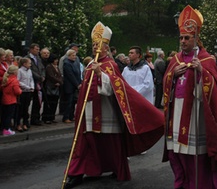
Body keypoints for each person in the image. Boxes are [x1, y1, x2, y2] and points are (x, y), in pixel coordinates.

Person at [64, 21, 164, 189]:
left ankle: (116, 168)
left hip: (107, 111)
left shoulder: (110, 65)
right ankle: (77, 173)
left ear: (106, 48)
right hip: (89, 110)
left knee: (110, 143)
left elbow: (116, 88)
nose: (95, 47)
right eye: (94, 44)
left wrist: (100, 74)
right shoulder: (89, 65)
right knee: (86, 142)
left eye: (99, 44)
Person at [163, 5, 217, 189]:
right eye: (181, 38)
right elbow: (165, 84)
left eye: (187, 38)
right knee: (179, 156)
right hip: (177, 114)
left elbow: (215, 90)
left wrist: (201, 73)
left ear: (196, 38)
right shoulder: (175, 60)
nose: (183, 41)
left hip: (196, 117)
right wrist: (172, 76)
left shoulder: (206, 60)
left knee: (196, 159)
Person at [26, 43, 45, 126]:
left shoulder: (38, 58)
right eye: (36, 49)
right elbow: (30, 69)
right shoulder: (27, 58)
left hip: (39, 82)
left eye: (38, 49)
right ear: (31, 49)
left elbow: (42, 68)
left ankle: (35, 118)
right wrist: (38, 77)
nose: (38, 51)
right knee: (28, 102)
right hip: (31, 82)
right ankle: (27, 119)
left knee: (38, 101)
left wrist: (43, 76)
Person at [1, 65, 22, 136]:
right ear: (15, 72)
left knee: (5, 115)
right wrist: (20, 90)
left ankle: (4, 128)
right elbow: (17, 91)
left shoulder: (6, 79)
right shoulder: (15, 80)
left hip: (5, 99)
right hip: (12, 100)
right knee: (9, 116)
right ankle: (7, 130)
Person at [63, 49, 82, 123]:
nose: (75, 57)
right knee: (69, 102)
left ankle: (71, 116)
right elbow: (70, 75)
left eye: (75, 55)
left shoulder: (75, 62)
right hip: (69, 86)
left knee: (73, 102)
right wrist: (77, 84)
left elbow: (78, 73)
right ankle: (66, 117)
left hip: (75, 85)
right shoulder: (67, 63)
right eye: (73, 55)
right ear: (69, 56)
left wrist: (79, 82)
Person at [43, 54, 62, 124]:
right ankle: (46, 117)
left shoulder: (57, 67)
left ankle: (52, 117)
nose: (56, 61)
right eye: (55, 59)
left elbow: (60, 75)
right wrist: (58, 81)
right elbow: (51, 76)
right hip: (51, 86)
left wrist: (60, 82)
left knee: (54, 103)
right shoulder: (49, 67)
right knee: (49, 102)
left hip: (57, 87)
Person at [16, 57, 34, 132]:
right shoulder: (19, 71)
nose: (30, 65)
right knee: (20, 108)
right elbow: (18, 81)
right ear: (24, 64)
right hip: (22, 91)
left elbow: (31, 79)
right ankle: (18, 124)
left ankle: (25, 123)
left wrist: (32, 87)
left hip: (28, 91)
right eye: (29, 63)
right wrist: (27, 87)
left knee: (26, 108)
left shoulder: (29, 71)